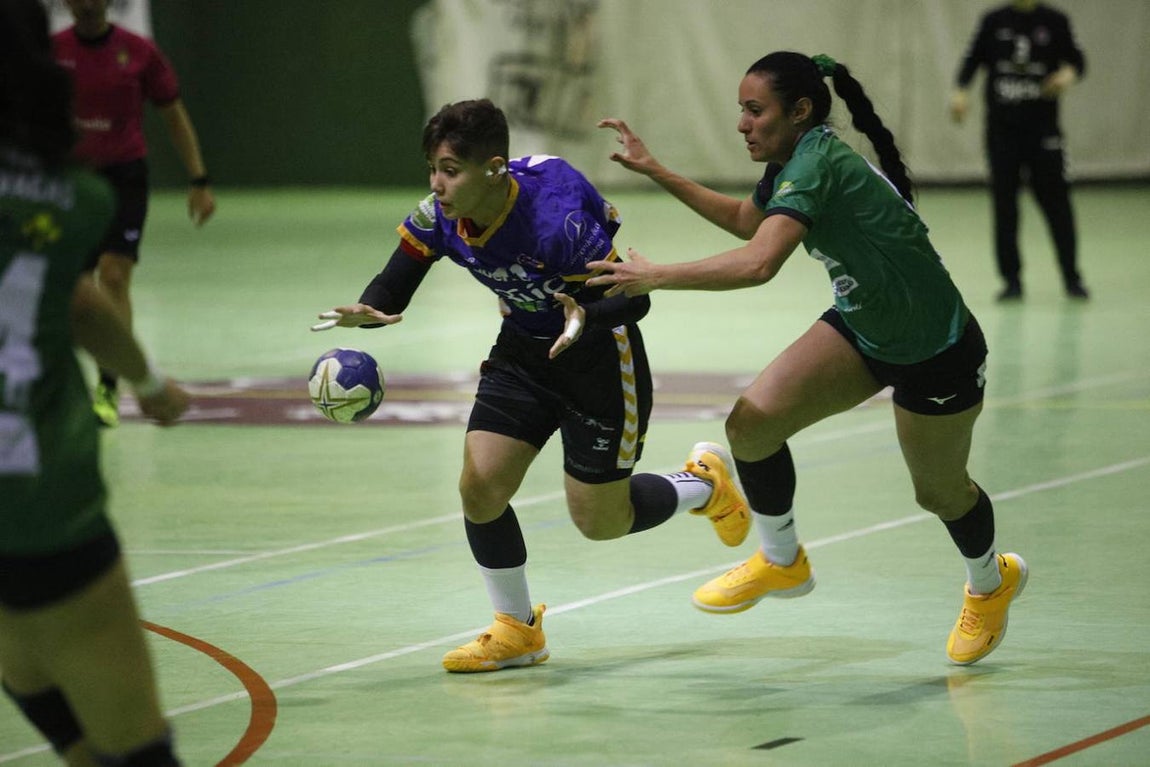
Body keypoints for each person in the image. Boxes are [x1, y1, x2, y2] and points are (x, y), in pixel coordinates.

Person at [588, 52, 1026, 666]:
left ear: (800, 111)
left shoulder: (816, 164)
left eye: (755, 109)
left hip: (937, 350)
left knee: (941, 494)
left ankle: (990, 581)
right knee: (752, 424)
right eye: (740, 109)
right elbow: (749, 223)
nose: (742, 124)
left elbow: (758, 264)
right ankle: (782, 560)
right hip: (863, 328)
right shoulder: (793, 158)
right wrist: (656, 169)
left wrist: (656, 275)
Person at [313, 98, 751, 673]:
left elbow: (633, 297)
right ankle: (517, 631)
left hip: (598, 359)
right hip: (523, 354)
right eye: (433, 168)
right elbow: (397, 281)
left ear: (493, 168)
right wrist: (369, 310)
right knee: (481, 487)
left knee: (600, 522)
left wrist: (583, 319)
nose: (436, 183)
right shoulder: (439, 214)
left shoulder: (555, 222)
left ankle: (702, 484)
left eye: (450, 170)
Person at [0, 0, 191, 762]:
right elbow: (79, 301)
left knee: (36, 682)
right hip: (41, 497)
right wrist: (148, 381)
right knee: (138, 747)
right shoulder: (76, 202)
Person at [52, 0, 216, 426]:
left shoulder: (139, 52)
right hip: (71, 181)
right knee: (76, 284)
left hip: (124, 178)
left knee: (115, 276)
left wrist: (198, 180)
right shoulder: (50, 53)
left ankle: (109, 386)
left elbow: (174, 115)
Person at [950, 0, 1087, 301]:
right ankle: (1011, 281)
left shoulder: (1054, 20)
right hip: (1003, 132)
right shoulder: (994, 20)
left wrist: (1067, 75)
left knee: (1057, 203)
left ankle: (1071, 277)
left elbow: (1078, 61)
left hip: (1043, 132)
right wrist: (960, 92)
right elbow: (972, 60)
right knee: (1005, 206)